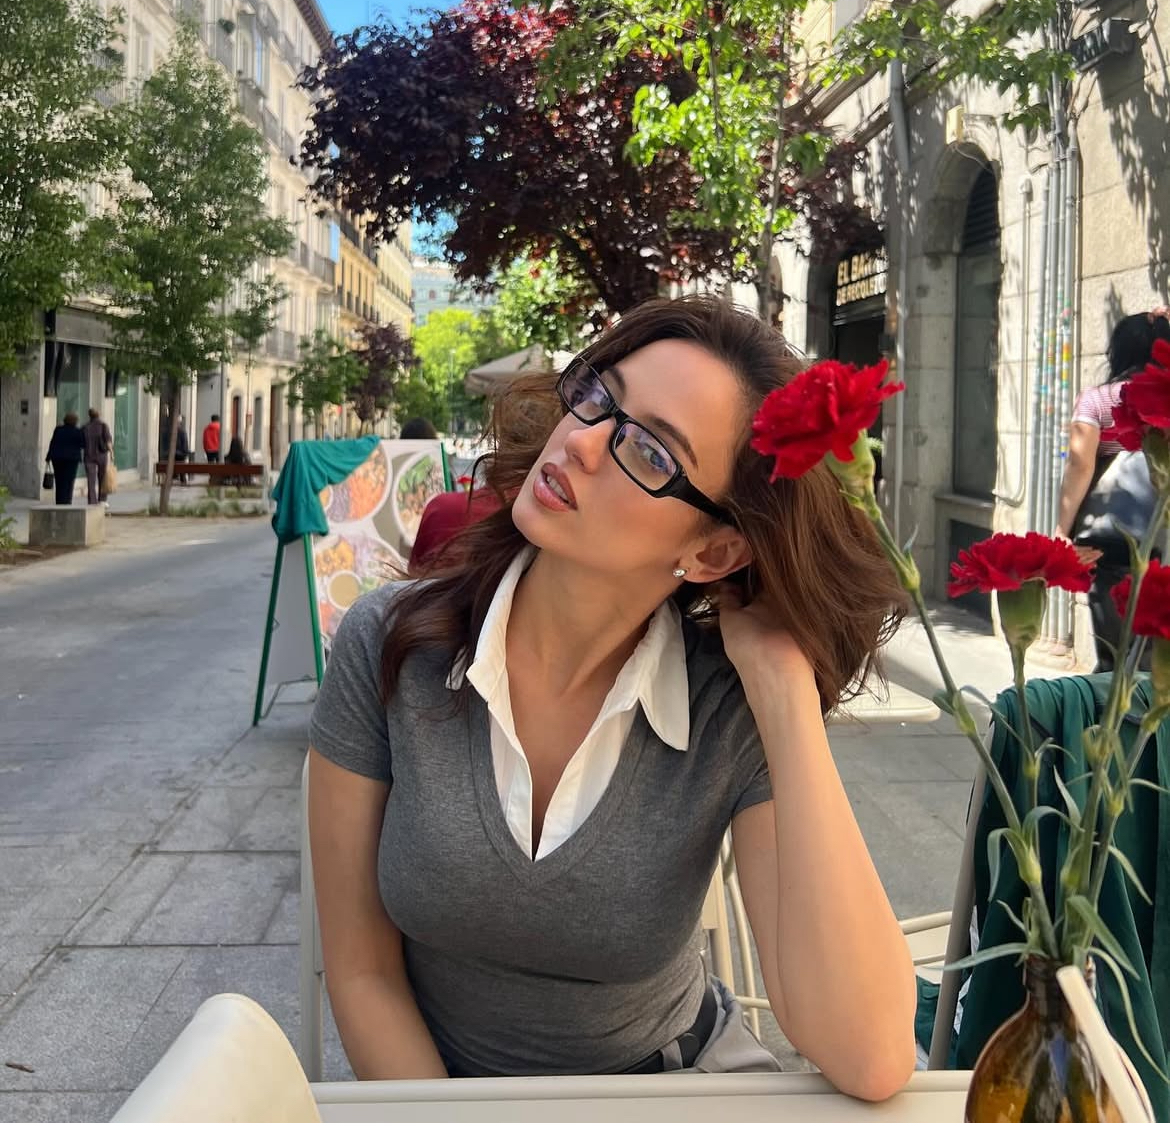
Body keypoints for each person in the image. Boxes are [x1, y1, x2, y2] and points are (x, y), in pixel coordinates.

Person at [307, 296, 916, 1095]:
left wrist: (783, 692)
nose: (583, 441)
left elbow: (870, 1055)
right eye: (599, 396)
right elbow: (362, 973)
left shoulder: (725, 705)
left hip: (669, 1090)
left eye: (651, 453)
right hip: (438, 1099)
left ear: (714, 551)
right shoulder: (390, 645)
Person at [1055, 307, 1170, 670]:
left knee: (1116, 652)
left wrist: (1062, 531)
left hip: (1110, 539)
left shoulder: (1098, 399)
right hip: (1162, 535)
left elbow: (1080, 465)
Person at [46, 412, 86, 505]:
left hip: (57, 459)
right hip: (71, 460)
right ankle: (67, 501)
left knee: (59, 480)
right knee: (69, 481)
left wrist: (48, 456)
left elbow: (53, 443)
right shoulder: (77, 431)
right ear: (75, 421)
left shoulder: (58, 430)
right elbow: (83, 444)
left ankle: (59, 501)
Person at [82, 407, 113, 507]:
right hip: (101, 455)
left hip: (89, 455)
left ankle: (92, 501)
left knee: (91, 480)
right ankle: (102, 500)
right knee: (102, 477)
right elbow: (108, 441)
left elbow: (81, 442)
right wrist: (112, 453)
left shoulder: (85, 427)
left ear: (89, 416)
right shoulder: (103, 426)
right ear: (99, 415)